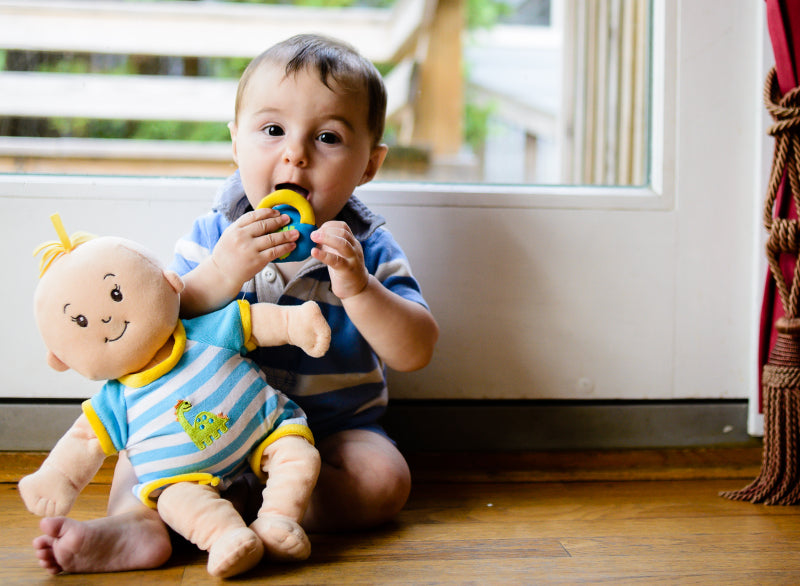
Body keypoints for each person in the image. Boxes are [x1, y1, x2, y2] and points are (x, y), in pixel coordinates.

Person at [31, 33, 439, 575]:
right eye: (272, 130)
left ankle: (264, 509)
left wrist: (360, 289)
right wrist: (223, 272)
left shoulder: (369, 250)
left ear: (369, 164)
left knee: (385, 480)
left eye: (328, 137)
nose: (296, 153)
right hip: (210, 420)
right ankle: (138, 526)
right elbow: (159, 327)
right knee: (142, 456)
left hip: (334, 430)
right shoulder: (216, 235)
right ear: (235, 145)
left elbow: (415, 350)